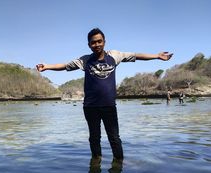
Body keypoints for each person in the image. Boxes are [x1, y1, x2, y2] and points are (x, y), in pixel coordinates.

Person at [36, 28, 173, 164]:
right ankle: (96, 162)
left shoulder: (114, 56)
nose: (97, 45)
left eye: (99, 41)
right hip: (90, 107)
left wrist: (157, 56)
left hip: (109, 106)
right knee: (94, 138)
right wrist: (47, 66)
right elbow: (65, 66)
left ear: (104, 42)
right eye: (93, 42)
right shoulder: (85, 60)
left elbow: (136, 56)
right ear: (89, 45)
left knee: (114, 137)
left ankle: (118, 163)